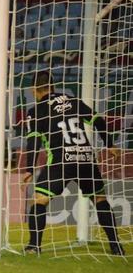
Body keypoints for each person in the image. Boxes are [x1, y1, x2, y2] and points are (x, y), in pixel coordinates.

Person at [21, 71, 124, 255]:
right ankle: (116, 246)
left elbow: (34, 141)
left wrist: (29, 169)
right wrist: (109, 144)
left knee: (39, 200)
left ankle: (33, 246)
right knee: (99, 199)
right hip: (85, 157)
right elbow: (98, 121)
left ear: (34, 90)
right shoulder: (73, 101)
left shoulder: (36, 111)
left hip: (61, 160)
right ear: (52, 86)